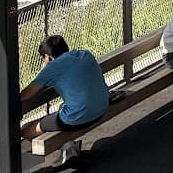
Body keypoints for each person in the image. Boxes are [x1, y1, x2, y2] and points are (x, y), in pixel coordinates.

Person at [19, 34, 109, 164]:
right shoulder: (84, 54)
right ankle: (68, 148)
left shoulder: (52, 68)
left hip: (78, 117)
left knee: (26, 129)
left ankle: (56, 154)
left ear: (48, 58)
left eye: (43, 59)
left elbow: (25, 95)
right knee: (62, 107)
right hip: (102, 106)